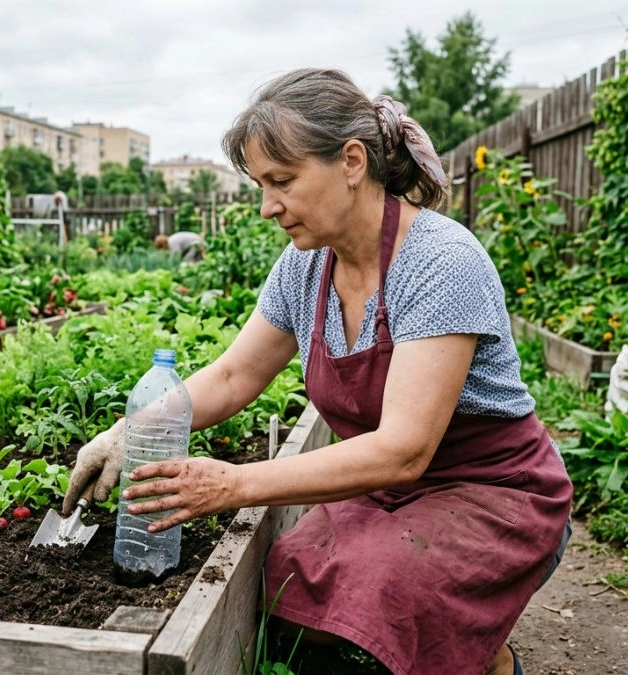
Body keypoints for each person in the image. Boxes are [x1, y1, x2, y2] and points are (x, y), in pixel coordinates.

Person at [62, 68, 572, 675]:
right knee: (286, 583)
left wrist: (233, 484)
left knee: (385, 591)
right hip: (385, 490)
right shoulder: (304, 268)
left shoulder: (441, 262)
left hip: (492, 491)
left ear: (351, 161)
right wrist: (135, 428)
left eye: (282, 181)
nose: (267, 206)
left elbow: (405, 450)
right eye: (259, 184)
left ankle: (490, 660)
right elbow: (233, 377)